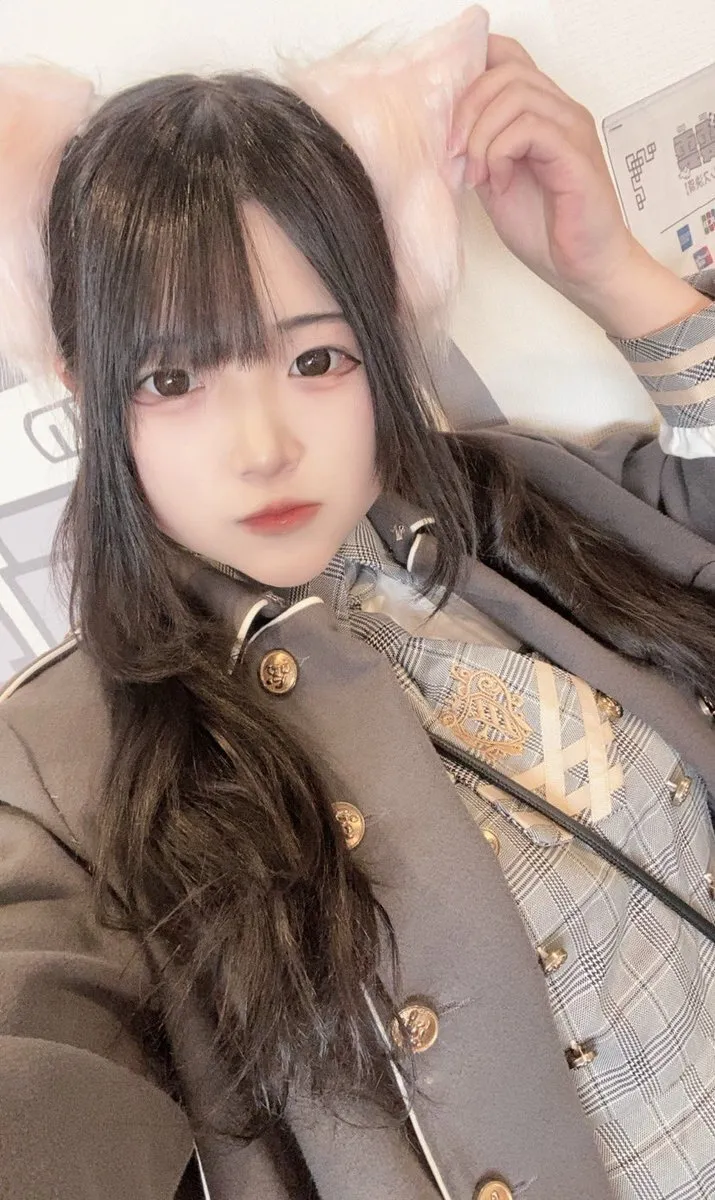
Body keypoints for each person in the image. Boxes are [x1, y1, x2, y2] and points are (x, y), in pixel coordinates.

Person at [0, 13, 714, 1200]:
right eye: (173, 378)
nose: (263, 446)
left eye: (314, 360)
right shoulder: (61, 761)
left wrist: (611, 273)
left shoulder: (501, 508)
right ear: (85, 388)